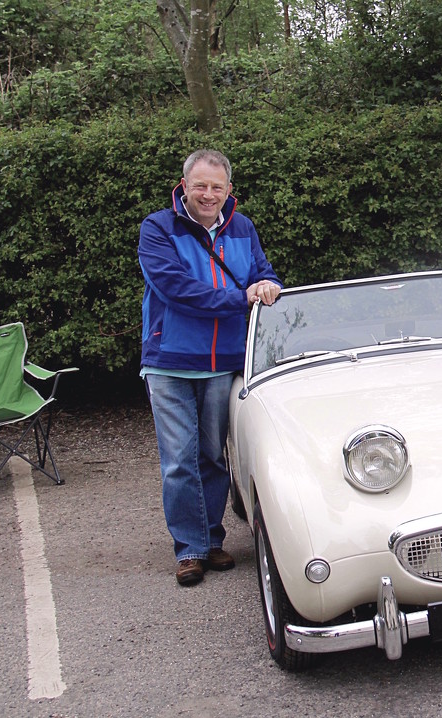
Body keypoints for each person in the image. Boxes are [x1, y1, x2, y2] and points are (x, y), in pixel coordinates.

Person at [139, 149, 282, 586]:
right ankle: (189, 549)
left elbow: (264, 274)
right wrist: (241, 299)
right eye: (200, 185)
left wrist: (268, 286)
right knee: (179, 462)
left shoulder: (243, 228)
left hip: (223, 363)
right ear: (184, 186)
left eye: (216, 187)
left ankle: (213, 541)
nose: (208, 194)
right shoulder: (157, 228)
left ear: (228, 191)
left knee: (214, 458)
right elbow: (176, 289)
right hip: (170, 363)